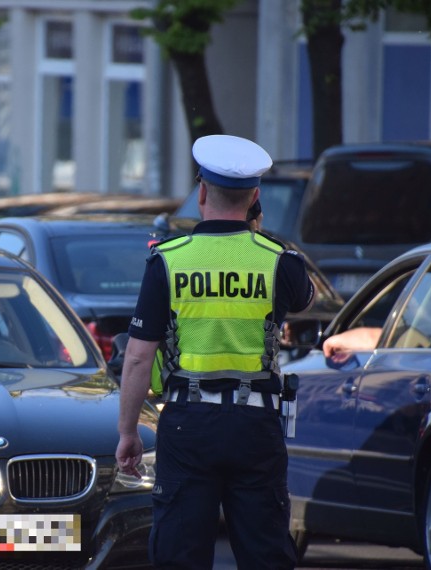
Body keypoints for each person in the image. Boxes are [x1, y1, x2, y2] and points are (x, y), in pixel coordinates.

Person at [116, 134, 316, 569]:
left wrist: (128, 431)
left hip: (188, 426)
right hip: (256, 426)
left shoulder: (167, 260)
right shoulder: (278, 259)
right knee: (265, 552)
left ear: (201, 193)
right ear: (255, 198)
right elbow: (305, 299)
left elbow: (136, 357)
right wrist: (257, 235)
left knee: (180, 554)